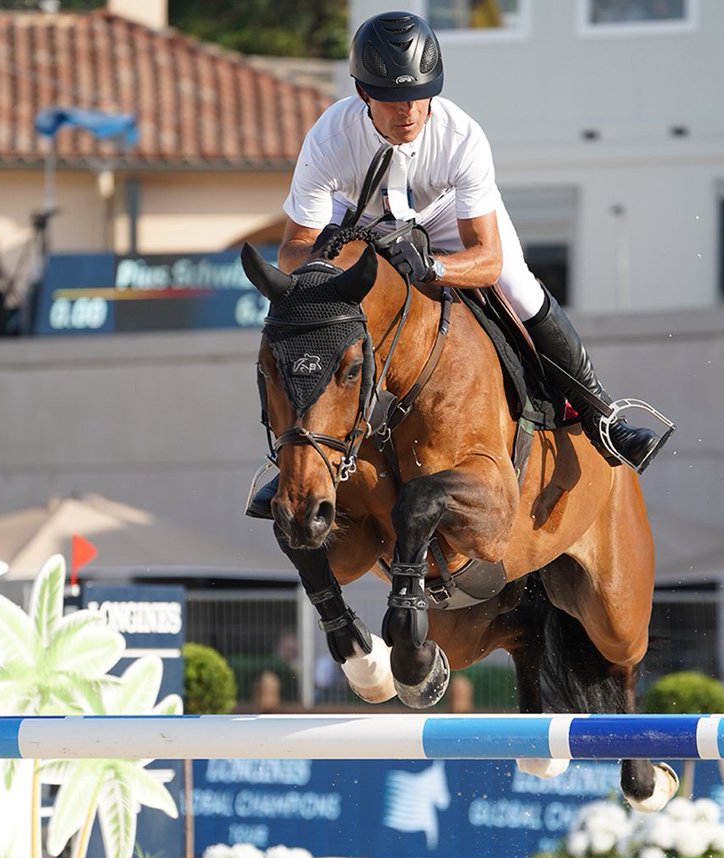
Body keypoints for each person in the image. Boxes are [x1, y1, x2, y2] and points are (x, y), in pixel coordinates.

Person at [247, 10, 672, 519]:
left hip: (445, 221)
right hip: (356, 219)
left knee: (520, 287)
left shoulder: (461, 137)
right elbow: (293, 250)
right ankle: (296, 454)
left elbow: (488, 260)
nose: (408, 112)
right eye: (392, 100)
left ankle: (602, 415)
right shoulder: (328, 139)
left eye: (419, 98)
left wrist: (434, 270)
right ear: (363, 96)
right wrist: (335, 259)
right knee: (311, 304)